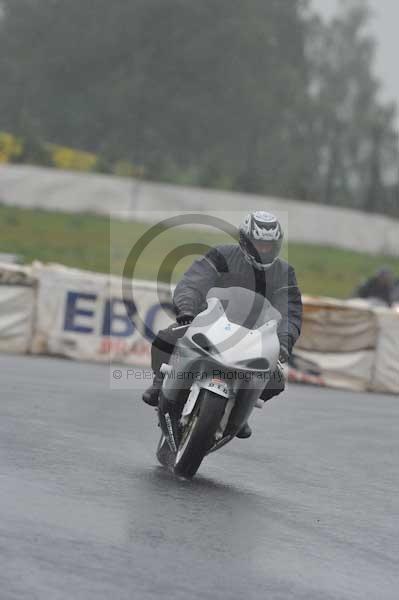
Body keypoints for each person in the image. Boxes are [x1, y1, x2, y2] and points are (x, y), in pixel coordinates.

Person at [143, 211, 303, 439]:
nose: (263, 250)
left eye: (268, 246)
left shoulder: (285, 273)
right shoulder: (221, 255)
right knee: (166, 338)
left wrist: (284, 342)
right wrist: (187, 311)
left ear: (277, 245)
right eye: (258, 244)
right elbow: (193, 282)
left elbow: (291, 311)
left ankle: (242, 412)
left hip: (254, 336)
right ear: (245, 240)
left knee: (276, 379)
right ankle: (160, 384)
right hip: (209, 322)